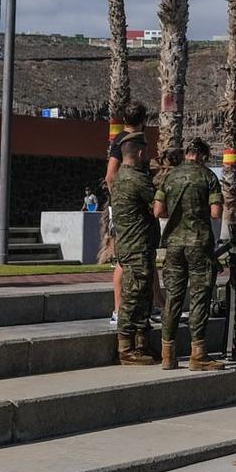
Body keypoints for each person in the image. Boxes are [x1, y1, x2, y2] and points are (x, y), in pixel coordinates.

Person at [156, 137, 224, 371]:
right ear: (203, 155)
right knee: (199, 298)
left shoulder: (169, 176)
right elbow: (215, 213)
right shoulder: (208, 176)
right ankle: (198, 354)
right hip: (199, 244)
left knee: (173, 298)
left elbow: (158, 210)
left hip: (174, 245)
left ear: (186, 153)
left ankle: (168, 355)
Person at [109, 133, 158, 364]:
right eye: (145, 152)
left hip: (131, 243)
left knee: (143, 294)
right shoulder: (137, 179)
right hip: (137, 245)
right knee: (134, 296)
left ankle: (141, 343)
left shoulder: (119, 177)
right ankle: (126, 347)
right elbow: (158, 206)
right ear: (139, 153)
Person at [104, 101, 148, 326]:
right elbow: (110, 175)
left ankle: (154, 304)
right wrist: (120, 201)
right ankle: (118, 309)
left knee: (144, 255)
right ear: (143, 120)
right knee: (123, 259)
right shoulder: (121, 141)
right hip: (126, 208)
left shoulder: (132, 140)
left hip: (135, 208)